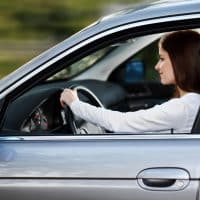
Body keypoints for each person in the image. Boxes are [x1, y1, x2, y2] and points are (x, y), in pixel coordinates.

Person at [60, 30, 200, 134]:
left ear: (180, 62)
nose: (157, 66)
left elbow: (120, 123)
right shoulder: (192, 103)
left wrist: (75, 104)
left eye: (162, 59)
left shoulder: (183, 108)